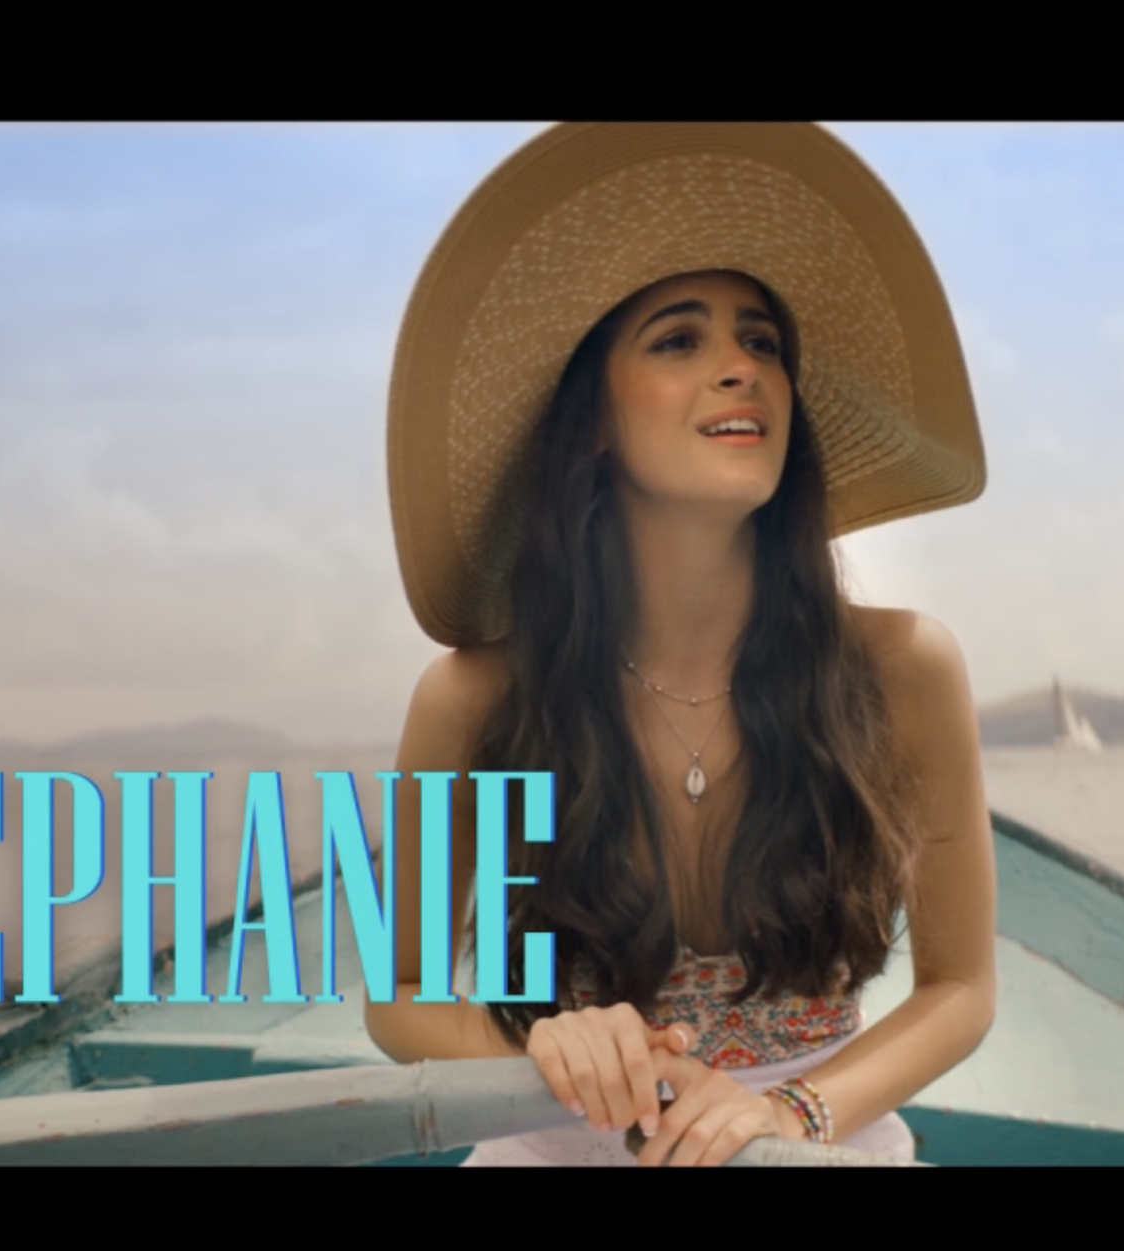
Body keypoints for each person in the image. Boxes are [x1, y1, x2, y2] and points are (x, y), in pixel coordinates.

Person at [364, 124, 996, 1165]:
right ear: (597, 423)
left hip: (819, 1140)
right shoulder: (474, 697)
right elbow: (397, 999)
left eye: (762, 342)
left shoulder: (903, 669)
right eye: (677, 341)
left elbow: (960, 988)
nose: (739, 369)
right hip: (559, 1144)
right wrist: (555, 1054)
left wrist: (788, 1112)